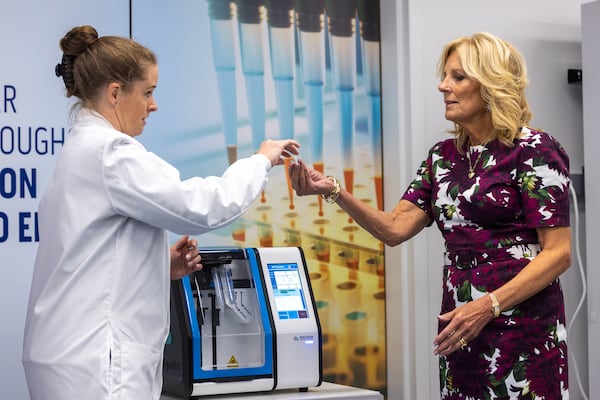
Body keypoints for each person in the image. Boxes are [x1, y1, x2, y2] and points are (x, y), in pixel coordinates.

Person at [22, 25, 300, 400]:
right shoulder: (112, 154)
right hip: (97, 365)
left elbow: (91, 257)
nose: (153, 105)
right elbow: (205, 208)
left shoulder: (80, 151)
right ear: (116, 93)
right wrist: (260, 161)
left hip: (70, 357)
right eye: (148, 92)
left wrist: (156, 265)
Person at [289, 32, 571, 399]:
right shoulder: (442, 157)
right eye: (445, 76)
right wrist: (332, 191)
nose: (443, 86)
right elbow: (394, 228)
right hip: (461, 328)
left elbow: (558, 253)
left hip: (524, 331)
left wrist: (488, 306)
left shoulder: (534, 150)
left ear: (490, 84)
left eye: (458, 77)